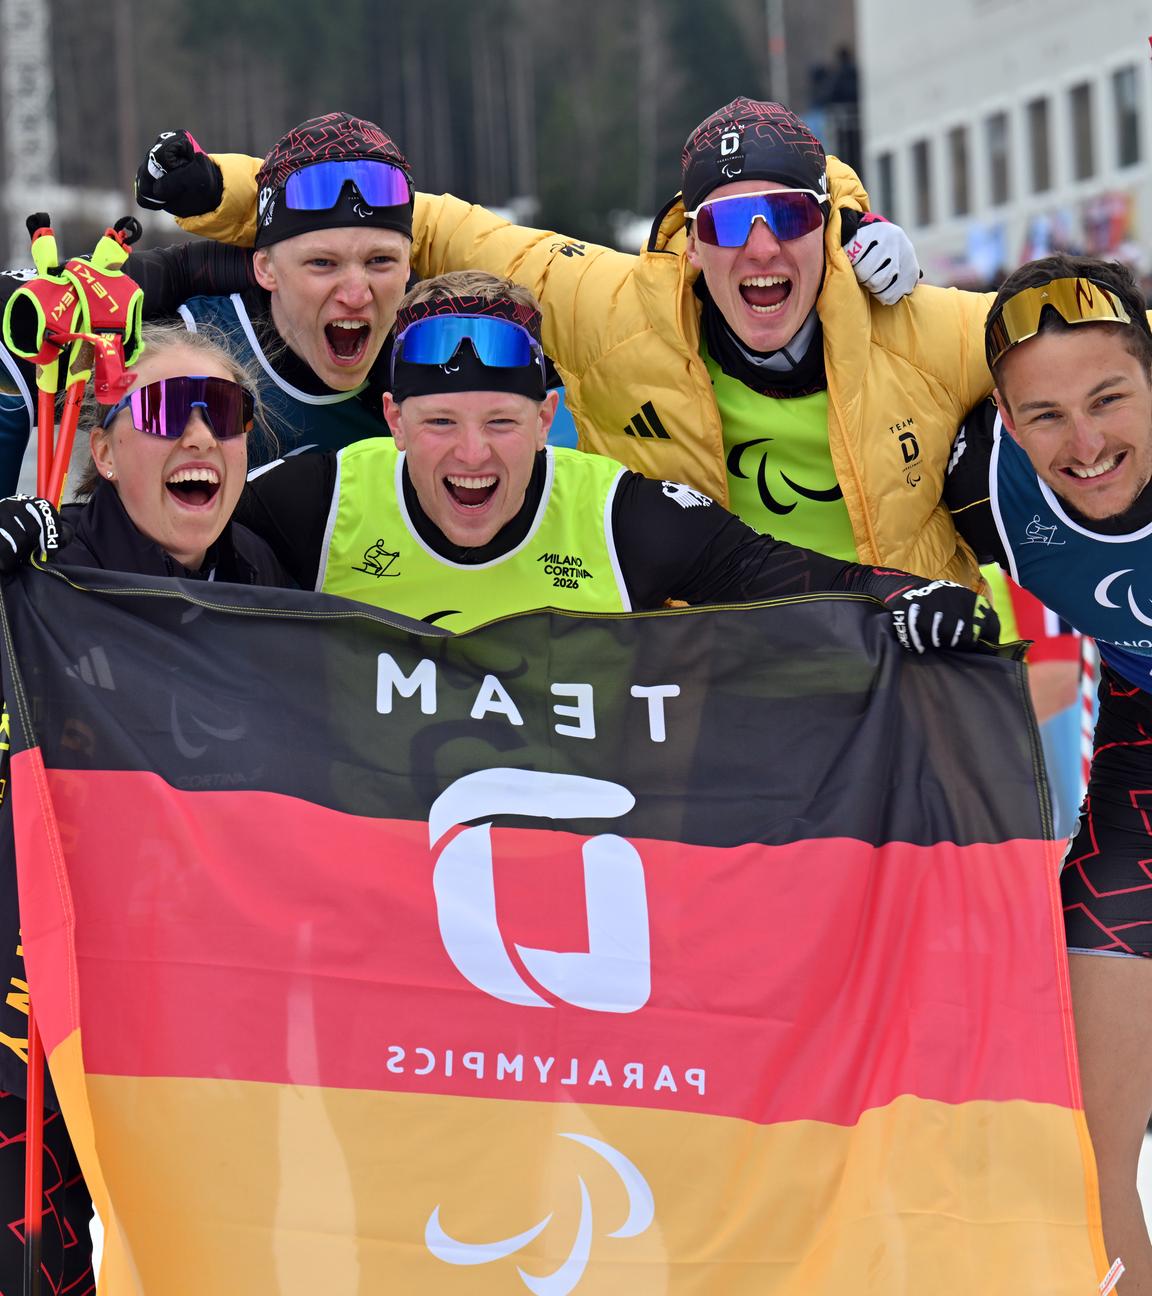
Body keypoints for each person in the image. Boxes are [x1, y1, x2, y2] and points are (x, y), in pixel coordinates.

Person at [157, 97, 987, 584]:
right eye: (730, 223)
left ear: (829, 227)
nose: (761, 248)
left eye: (793, 217)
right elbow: (424, 217)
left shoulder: (922, 324)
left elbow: (1084, 339)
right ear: (691, 241)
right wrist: (215, 195)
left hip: (900, 682)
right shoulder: (614, 308)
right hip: (718, 702)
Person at [231, 270, 996, 647]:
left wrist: (906, 598)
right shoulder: (321, 497)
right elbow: (156, 555)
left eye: (501, 421)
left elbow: (780, 575)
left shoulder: (614, 515)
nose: (472, 455)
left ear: (546, 419)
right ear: (393, 419)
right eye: (439, 423)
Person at [0, 322, 293, 1292]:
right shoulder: (44, 568)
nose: (201, 439)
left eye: (226, 414)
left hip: (204, 1004)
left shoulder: (265, 579)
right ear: (105, 447)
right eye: (169, 412)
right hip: (48, 1002)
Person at [944, 254, 1152, 1292]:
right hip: (1143, 752)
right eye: (1047, 416)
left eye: (1110, 399)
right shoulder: (981, 481)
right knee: (1087, 1142)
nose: (1087, 444)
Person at [0, 112, 416, 495]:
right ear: (265, 268)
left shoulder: (437, 369)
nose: (356, 294)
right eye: (322, 263)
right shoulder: (188, 342)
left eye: (381, 261)